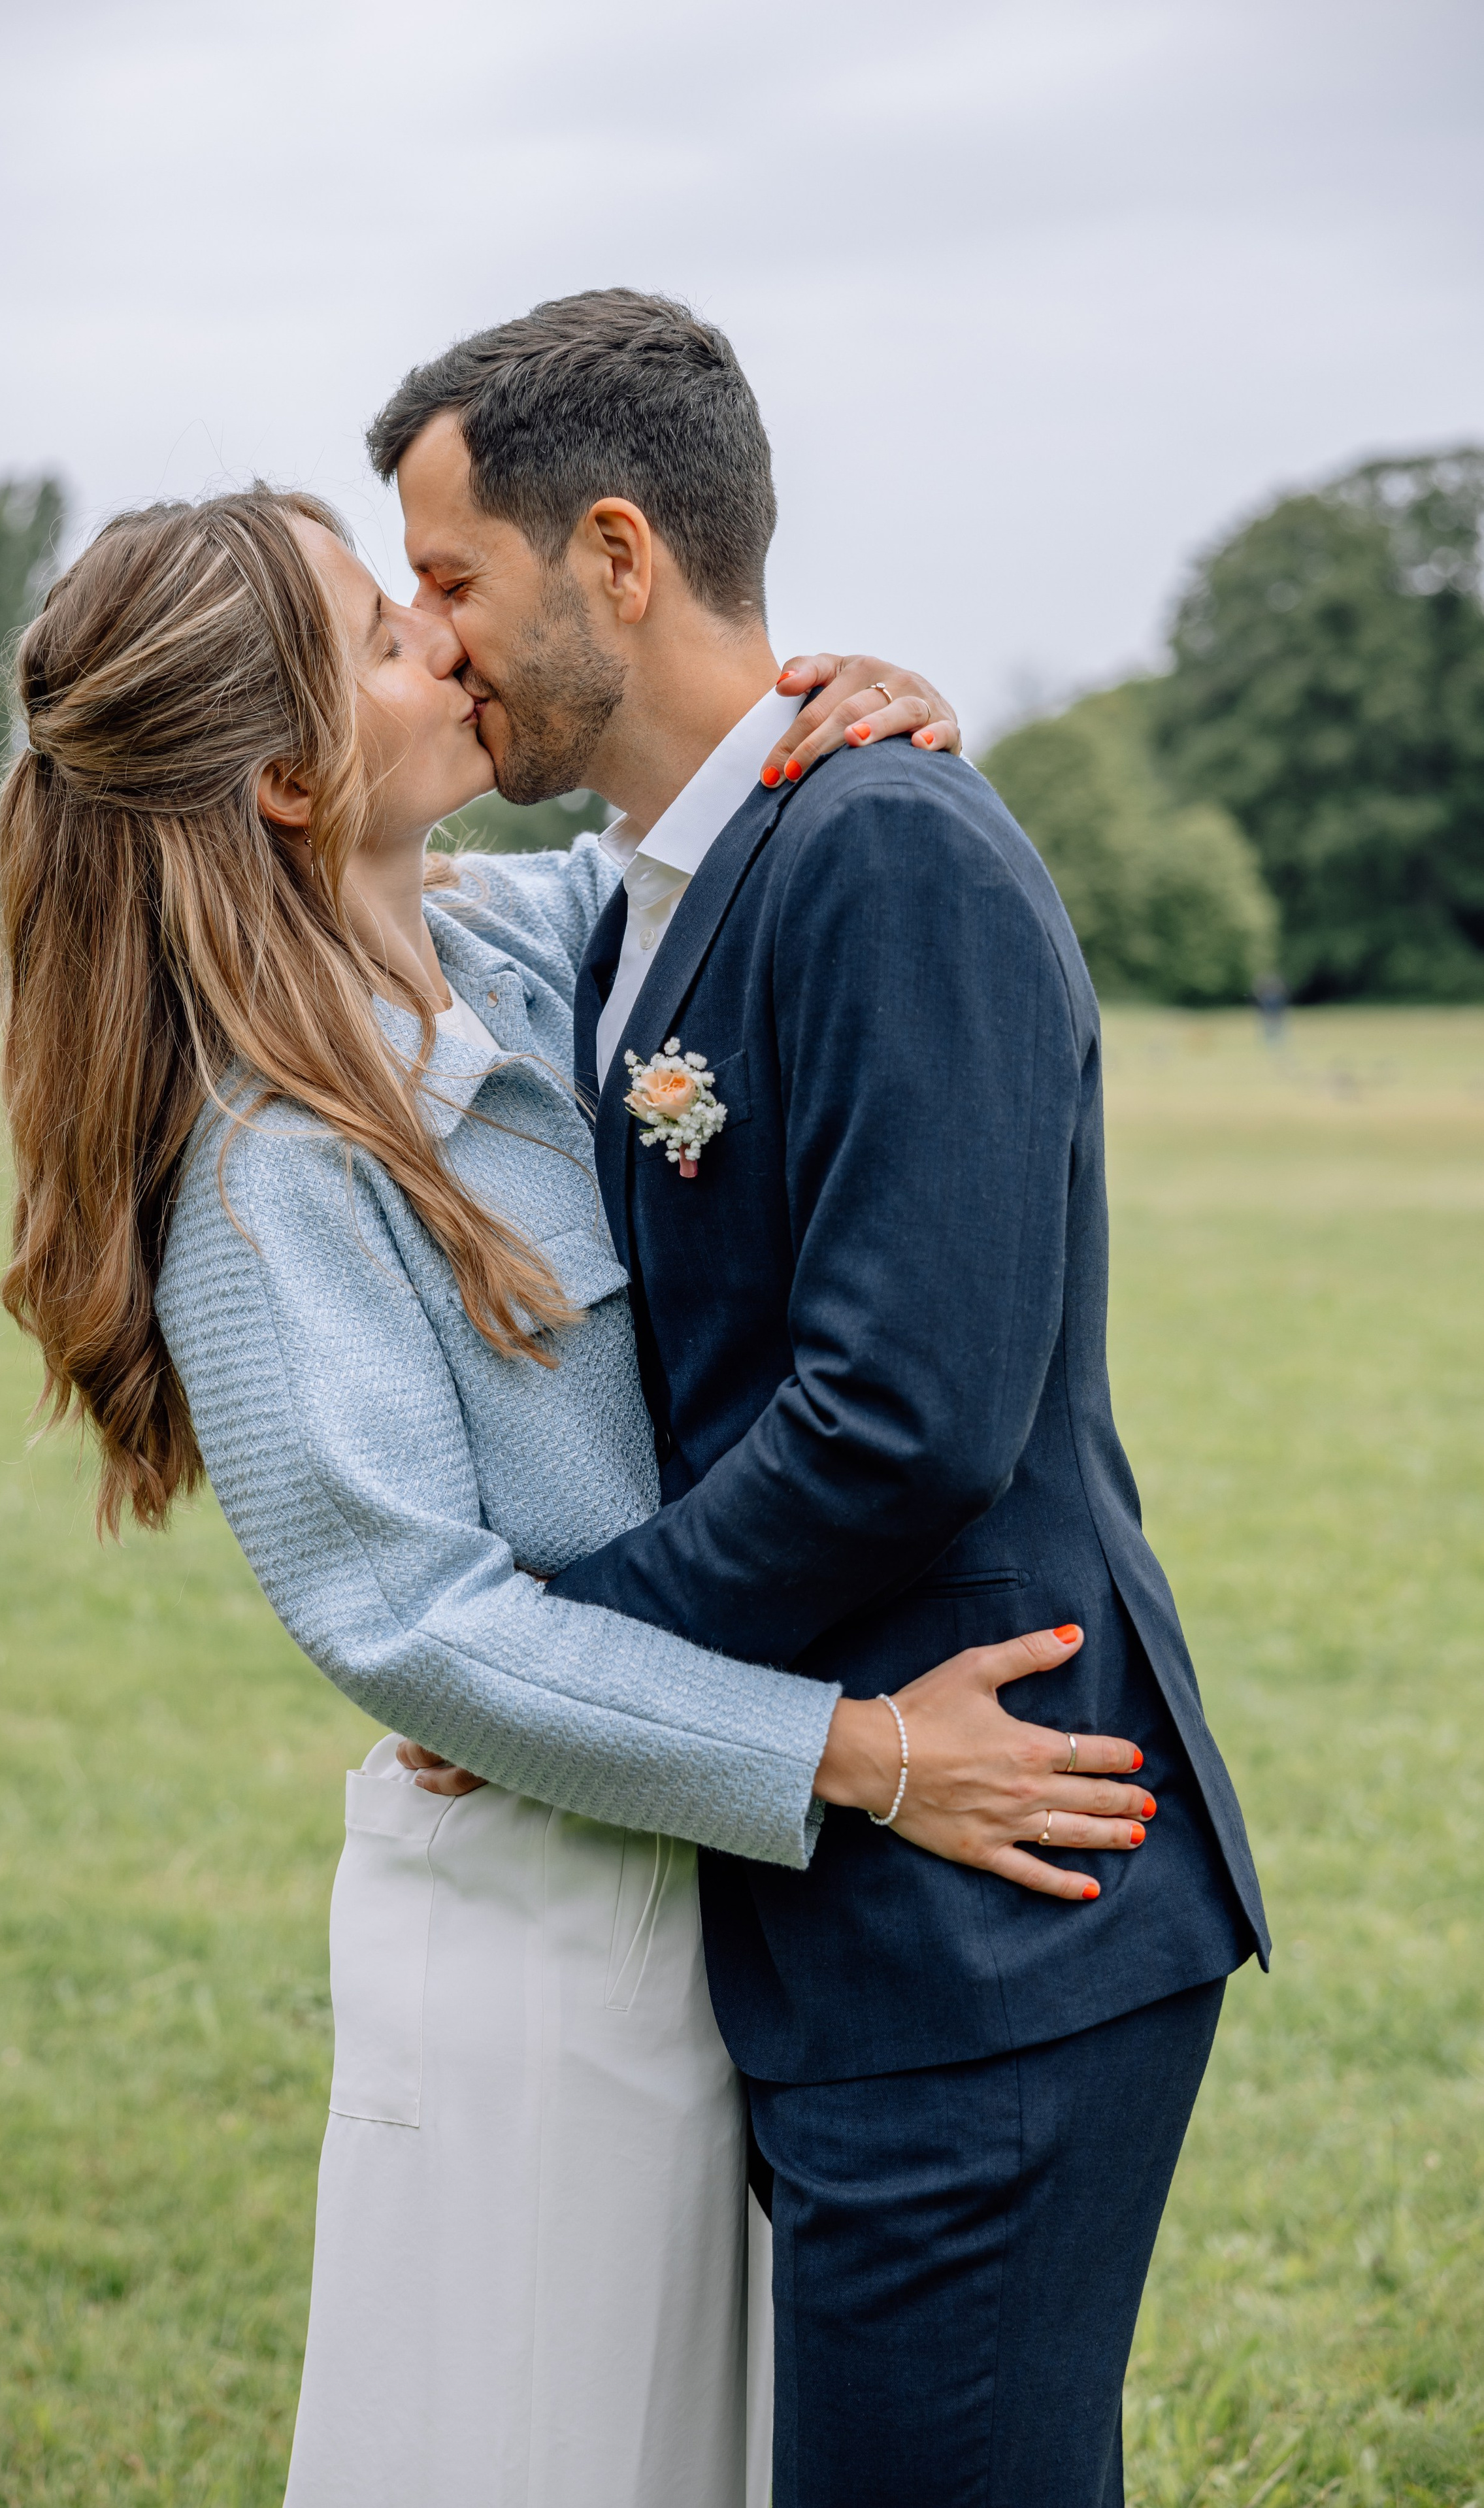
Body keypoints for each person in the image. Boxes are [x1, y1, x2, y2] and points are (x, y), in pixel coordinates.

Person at [0, 486, 1149, 2508]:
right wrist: (856, 1752)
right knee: (542, 2448)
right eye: (383, 631)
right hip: (542, 1936)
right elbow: (421, 1630)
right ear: (281, 777)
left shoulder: (524, 950)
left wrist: (838, 726)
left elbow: (708, 855)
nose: (447, 644)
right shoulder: (266, 1175)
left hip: (715, 1916)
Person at [371, 288, 1271, 2507]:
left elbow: (905, 1412)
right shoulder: (649, 893)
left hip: (995, 1906)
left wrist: (559, 1651)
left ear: (614, 550)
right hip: (852, 1875)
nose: (434, 636)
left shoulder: (886, 852)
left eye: (453, 580)